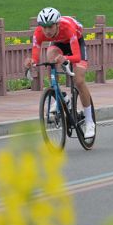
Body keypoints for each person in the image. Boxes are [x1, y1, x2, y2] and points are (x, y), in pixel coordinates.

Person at [25, 8, 95, 138]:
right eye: (44, 27)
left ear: (57, 24)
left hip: (76, 43)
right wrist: (31, 61)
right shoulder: (39, 32)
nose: (47, 31)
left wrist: (65, 58)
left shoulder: (67, 27)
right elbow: (35, 55)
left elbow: (77, 57)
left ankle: (90, 121)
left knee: (79, 81)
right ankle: (61, 96)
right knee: (50, 57)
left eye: (50, 27)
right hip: (59, 44)